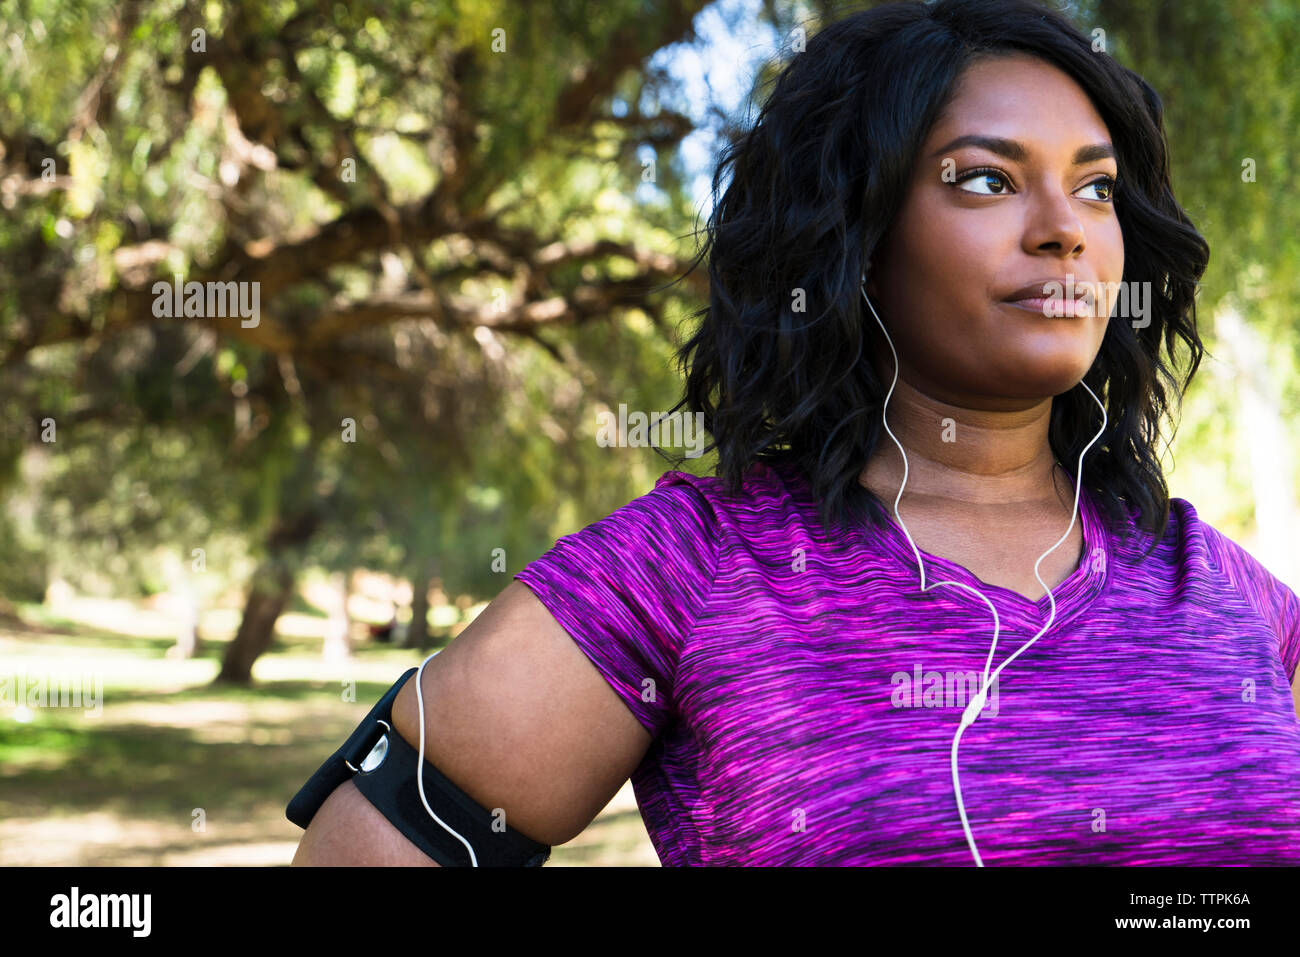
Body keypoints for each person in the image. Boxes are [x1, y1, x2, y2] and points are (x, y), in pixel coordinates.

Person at [291, 0, 1300, 866]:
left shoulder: (1219, 587)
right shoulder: (689, 569)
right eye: (985, 180)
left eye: (1095, 186)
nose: (1064, 227)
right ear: (854, 235)